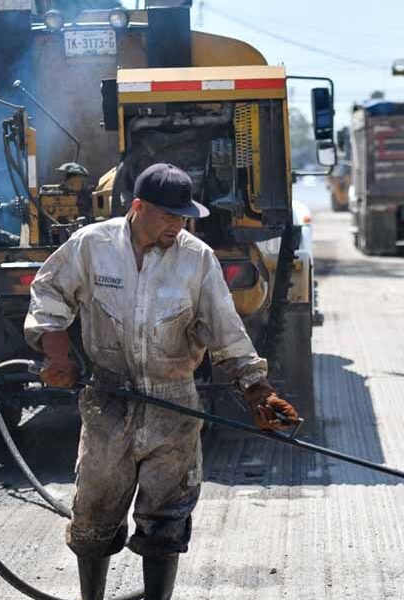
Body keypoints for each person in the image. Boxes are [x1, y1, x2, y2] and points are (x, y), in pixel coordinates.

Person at [24, 163, 299, 600]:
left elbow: (226, 330)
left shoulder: (197, 259)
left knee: (166, 522)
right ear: (138, 207)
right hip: (109, 399)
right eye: (168, 215)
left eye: (183, 216)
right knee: (94, 517)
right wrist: (56, 355)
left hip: (174, 404)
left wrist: (256, 389)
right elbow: (50, 292)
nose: (178, 224)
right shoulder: (92, 246)